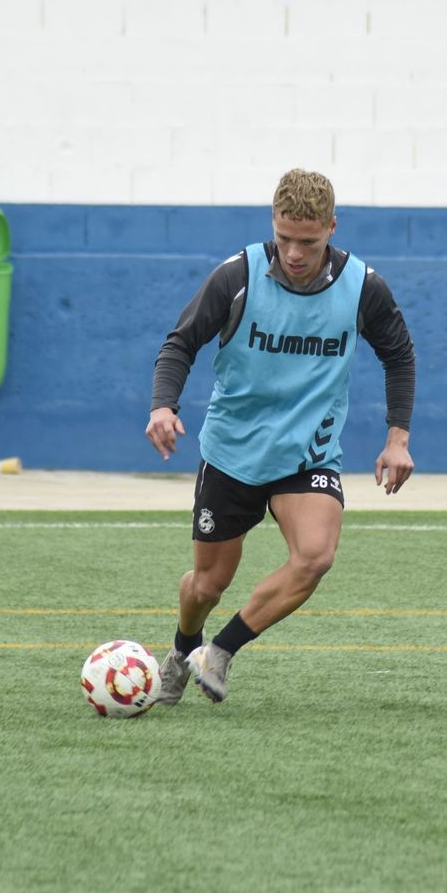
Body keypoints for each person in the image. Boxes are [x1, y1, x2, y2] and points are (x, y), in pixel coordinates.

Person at [144, 169, 416, 705]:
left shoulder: (363, 287)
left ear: (332, 228)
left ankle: (220, 651)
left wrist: (398, 438)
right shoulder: (236, 276)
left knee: (315, 556)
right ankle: (182, 650)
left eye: (308, 242)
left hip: (307, 455)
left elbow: (398, 355)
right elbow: (181, 343)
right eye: (285, 237)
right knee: (206, 585)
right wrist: (162, 406)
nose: (293, 252)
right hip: (232, 451)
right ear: (273, 223)